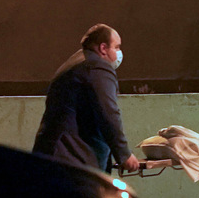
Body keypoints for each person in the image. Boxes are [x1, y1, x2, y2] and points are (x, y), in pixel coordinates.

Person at [33, 24, 140, 173]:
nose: (119, 53)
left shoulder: (76, 62)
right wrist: (124, 154)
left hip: (52, 154)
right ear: (103, 48)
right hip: (70, 161)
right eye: (116, 47)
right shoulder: (97, 67)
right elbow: (108, 112)